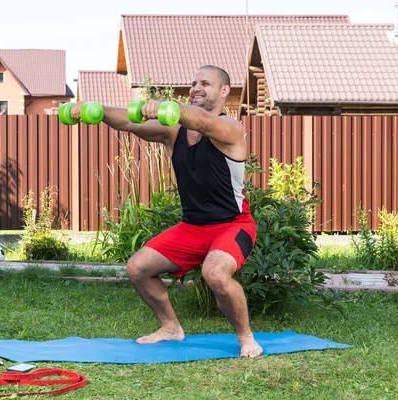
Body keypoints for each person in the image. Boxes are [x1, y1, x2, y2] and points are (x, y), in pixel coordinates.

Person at [70, 65, 262, 358]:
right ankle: (171, 327)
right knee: (138, 268)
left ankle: (246, 337)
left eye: (205, 83)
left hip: (232, 225)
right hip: (192, 227)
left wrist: (164, 106)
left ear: (224, 91)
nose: (196, 88)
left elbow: (202, 122)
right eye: (193, 82)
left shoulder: (230, 128)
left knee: (216, 275)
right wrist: (92, 109)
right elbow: (128, 122)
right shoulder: (174, 132)